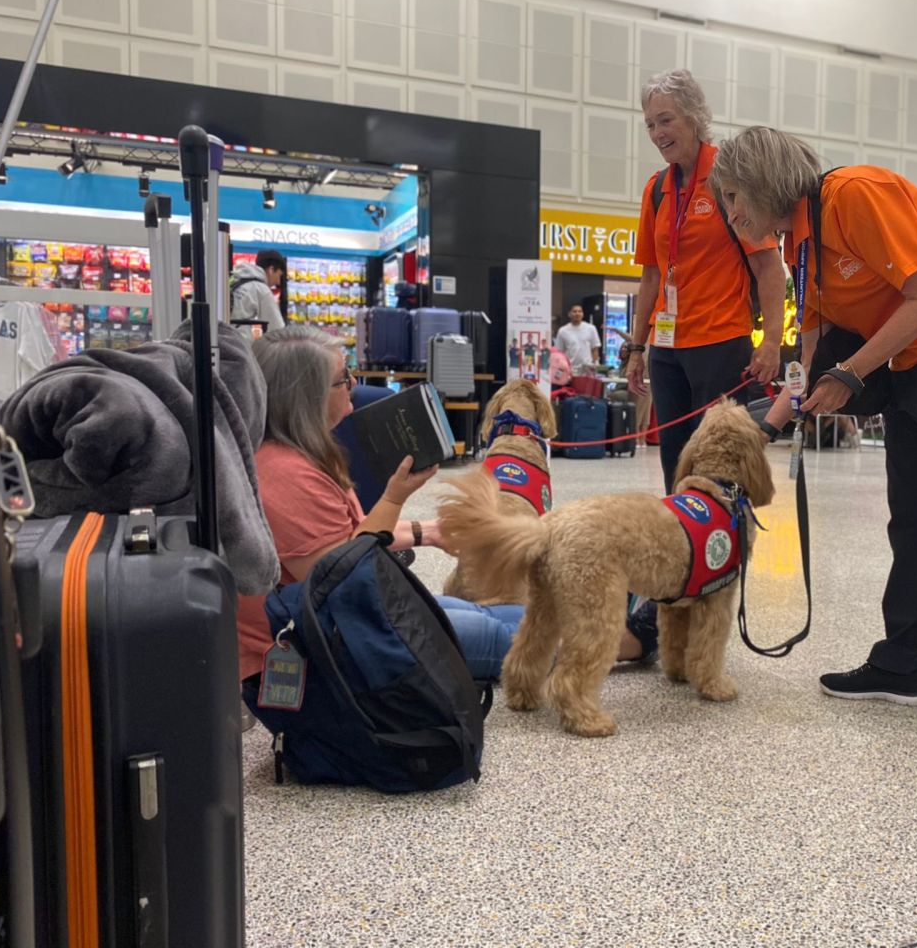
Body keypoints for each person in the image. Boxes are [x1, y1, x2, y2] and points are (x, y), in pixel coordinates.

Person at [712, 127, 917, 739]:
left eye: (733, 195)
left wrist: (853, 375)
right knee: (913, 525)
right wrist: (768, 426)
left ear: (761, 180)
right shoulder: (802, 249)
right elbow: (808, 360)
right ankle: (900, 666)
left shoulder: (854, 195)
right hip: (914, 362)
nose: (732, 212)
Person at [236, 327, 655, 684]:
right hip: (337, 638)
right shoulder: (287, 475)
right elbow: (338, 575)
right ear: (305, 396)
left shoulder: (298, 455)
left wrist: (430, 532)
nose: (353, 384)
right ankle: (631, 640)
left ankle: (611, 615)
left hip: (359, 610)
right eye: (342, 378)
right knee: (509, 636)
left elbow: (347, 537)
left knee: (498, 611)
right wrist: (395, 496)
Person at [624, 69, 786, 494]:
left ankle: (724, 553)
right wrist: (638, 347)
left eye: (666, 120)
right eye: (650, 124)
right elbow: (652, 274)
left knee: (718, 461)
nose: (657, 133)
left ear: (695, 117)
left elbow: (769, 266)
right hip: (667, 349)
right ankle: (684, 551)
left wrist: (770, 342)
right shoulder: (656, 189)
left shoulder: (729, 177)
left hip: (720, 344)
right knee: (674, 465)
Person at [230, 249, 286, 335]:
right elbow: (277, 328)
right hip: (238, 341)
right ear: (271, 270)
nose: (278, 282)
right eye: (279, 275)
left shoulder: (235, 279)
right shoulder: (261, 288)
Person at [554, 305, 601, 374]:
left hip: (587, 369)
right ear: (569, 314)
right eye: (574, 311)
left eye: (580, 311)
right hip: (569, 369)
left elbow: (595, 348)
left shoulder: (591, 329)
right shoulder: (563, 331)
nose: (577, 313)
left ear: (583, 314)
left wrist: (596, 364)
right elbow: (559, 352)